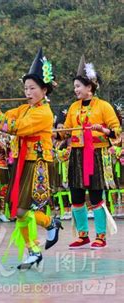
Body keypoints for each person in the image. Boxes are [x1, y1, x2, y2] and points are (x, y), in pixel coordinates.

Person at [0, 48, 62, 269]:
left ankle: (39, 239)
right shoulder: (25, 108)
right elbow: (4, 116)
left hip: (38, 165)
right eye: (26, 88)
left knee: (23, 210)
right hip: (24, 164)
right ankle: (38, 242)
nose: (28, 91)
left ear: (44, 90)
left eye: (33, 88)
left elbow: (13, 127)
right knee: (20, 210)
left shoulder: (44, 113)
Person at [62, 55, 120, 249]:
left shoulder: (104, 106)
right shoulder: (72, 108)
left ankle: (101, 236)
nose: (76, 90)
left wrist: (103, 130)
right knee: (76, 196)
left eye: (78, 86)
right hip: (77, 155)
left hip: (96, 154)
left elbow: (117, 130)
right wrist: (58, 133)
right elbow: (66, 131)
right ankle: (83, 234)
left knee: (96, 196)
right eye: (75, 86)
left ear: (90, 87)